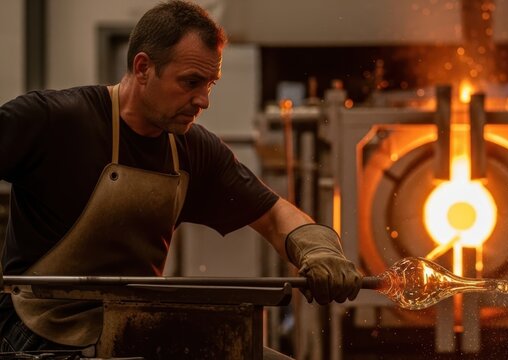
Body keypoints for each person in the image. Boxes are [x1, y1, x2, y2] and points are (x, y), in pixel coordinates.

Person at [0, 0, 361, 357]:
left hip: (134, 325)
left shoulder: (192, 150)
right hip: (39, 332)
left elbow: (275, 215)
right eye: (190, 82)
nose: (203, 100)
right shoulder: (55, 122)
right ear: (143, 68)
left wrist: (320, 250)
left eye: (210, 84)